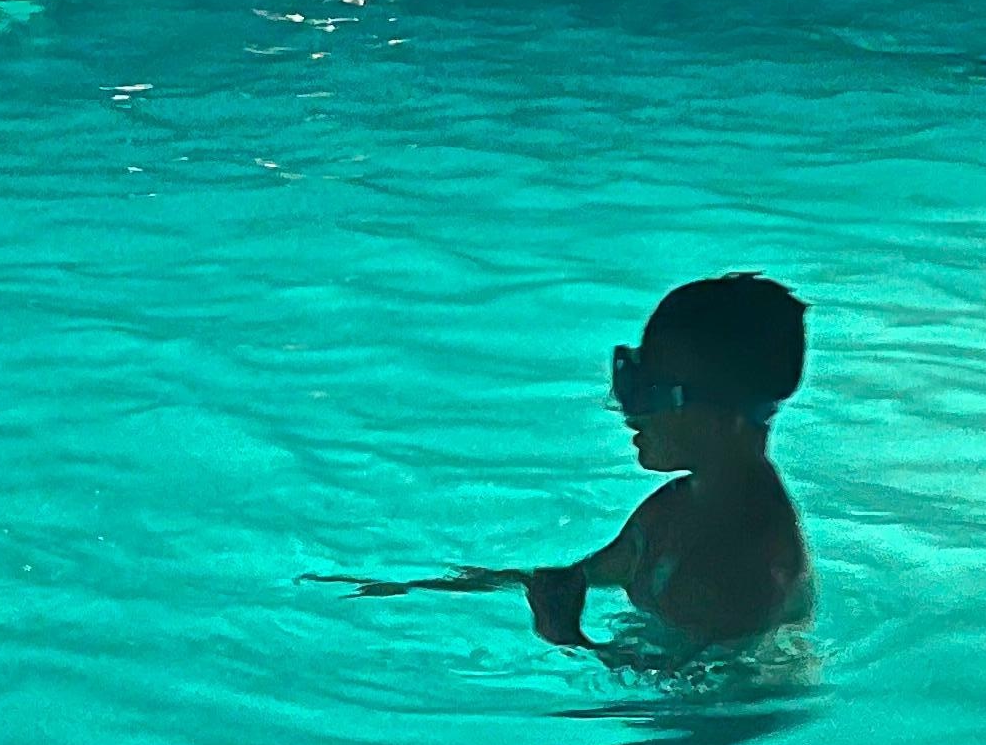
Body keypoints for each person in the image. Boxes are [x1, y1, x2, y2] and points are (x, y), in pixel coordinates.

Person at [342, 271, 813, 660]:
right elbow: (578, 577)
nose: (629, 412)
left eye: (650, 392)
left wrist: (566, 638)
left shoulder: (747, 563)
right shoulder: (679, 506)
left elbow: (700, 706)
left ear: (723, 418)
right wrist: (422, 588)